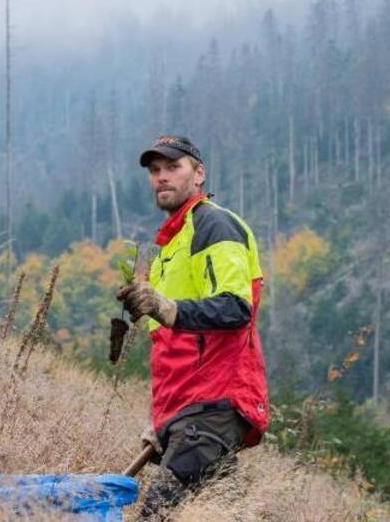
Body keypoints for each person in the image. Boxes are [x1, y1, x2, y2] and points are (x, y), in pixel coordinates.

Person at [117, 135, 269, 518]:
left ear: (199, 174)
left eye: (173, 167)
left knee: (155, 515)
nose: (162, 177)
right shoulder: (170, 247)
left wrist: (167, 308)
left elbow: (236, 308)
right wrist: (164, 421)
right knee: (221, 512)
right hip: (189, 410)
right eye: (155, 171)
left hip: (213, 404)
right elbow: (173, 347)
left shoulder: (214, 225)